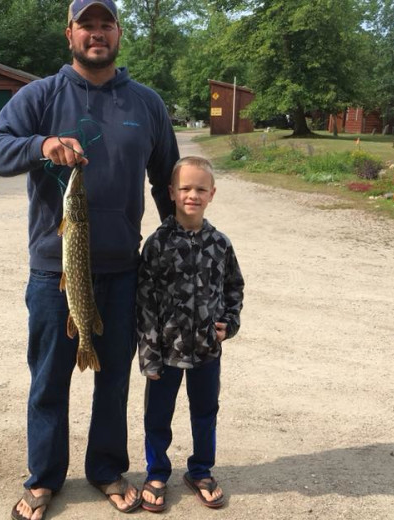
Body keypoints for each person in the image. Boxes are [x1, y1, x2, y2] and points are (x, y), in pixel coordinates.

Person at [0, 0, 180, 518]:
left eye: (105, 24)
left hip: (122, 270)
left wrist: (179, 240)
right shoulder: (39, 96)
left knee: (113, 379)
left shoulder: (147, 103)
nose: (96, 33)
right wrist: (42, 145)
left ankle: (106, 469)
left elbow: (167, 179)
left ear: (118, 33)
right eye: (86, 25)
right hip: (54, 271)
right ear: (69, 33)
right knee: (49, 380)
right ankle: (44, 478)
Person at [136, 156, 244, 512]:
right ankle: (156, 473)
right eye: (185, 188)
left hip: (207, 351)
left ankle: (200, 470)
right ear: (171, 192)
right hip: (166, 351)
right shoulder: (157, 244)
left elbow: (234, 287)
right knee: (158, 415)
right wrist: (148, 354)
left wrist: (230, 322)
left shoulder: (220, 243)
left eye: (200, 189)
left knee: (205, 411)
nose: (192, 195)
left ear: (212, 193)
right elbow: (145, 303)